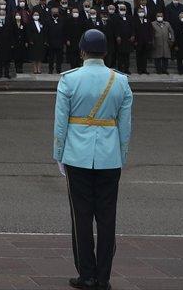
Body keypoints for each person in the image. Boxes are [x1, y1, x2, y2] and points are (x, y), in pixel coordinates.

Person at [53, 29, 133, 290]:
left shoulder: (69, 80)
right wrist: (120, 155)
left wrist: (59, 154)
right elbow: (125, 126)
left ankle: (86, 274)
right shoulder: (120, 81)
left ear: (82, 51)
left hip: (78, 154)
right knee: (107, 218)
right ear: (106, 52)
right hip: (109, 156)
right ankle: (104, 276)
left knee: (82, 216)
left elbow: (60, 123)